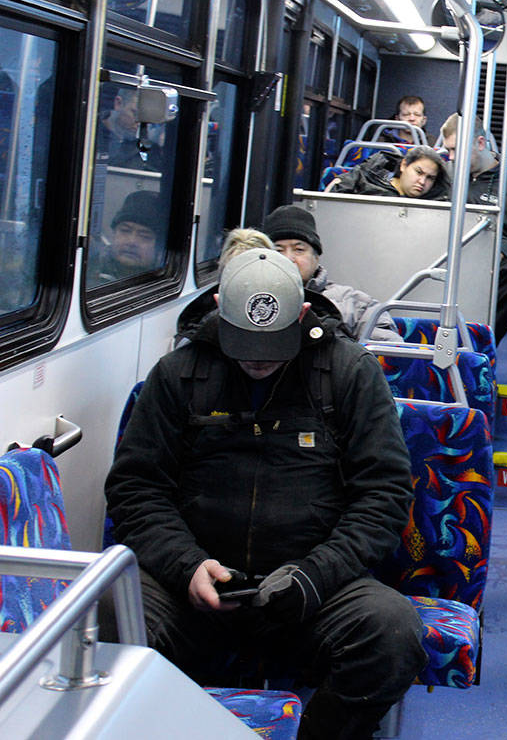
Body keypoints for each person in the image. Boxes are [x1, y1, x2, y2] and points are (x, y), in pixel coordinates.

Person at [106, 249, 425, 739]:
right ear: (218, 308)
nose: (256, 358)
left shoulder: (348, 374)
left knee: (391, 633)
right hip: (191, 587)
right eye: (243, 342)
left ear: (301, 316)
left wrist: (315, 576)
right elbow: (136, 488)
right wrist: (185, 565)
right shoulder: (180, 374)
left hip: (311, 591)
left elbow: (382, 495)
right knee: (110, 616)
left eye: (274, 344)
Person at [440, 113, 507, 343]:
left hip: (487, 266)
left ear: (480, 143)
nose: (451, 157)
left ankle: (483, 341)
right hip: (442, 255)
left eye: (457, 149)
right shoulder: (444, 173)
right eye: (449, 150)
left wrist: (500, 250)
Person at [264, 204, 400, 343]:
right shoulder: (247, 300)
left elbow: (388, 356)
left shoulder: (358, 306)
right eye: (278, 250)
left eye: (299, 250)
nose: (288, 259)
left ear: (316, 258)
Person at [88, 190, 164, 284]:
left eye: (144, 236)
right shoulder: (89, 269)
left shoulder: (165, 280)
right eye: (125, 231)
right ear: (114, 233)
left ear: (159, 247)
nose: (131, 242)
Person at [329, 145, 449, 201]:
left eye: (430, 178)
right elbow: (333, 192)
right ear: (404, 165)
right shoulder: (367, 177)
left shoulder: (435, 202)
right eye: (418, 172)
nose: (422, 182)